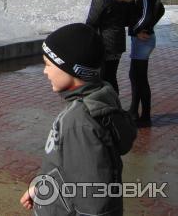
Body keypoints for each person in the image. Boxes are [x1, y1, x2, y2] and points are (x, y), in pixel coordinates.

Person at [20, 23, 135, 215]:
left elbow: (93, 201)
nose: (44, 71)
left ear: (72, 69)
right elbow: (71, 170)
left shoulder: (78, 122)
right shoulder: (100, 101)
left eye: (48, 64)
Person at [86, 0, 136, 94]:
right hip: (118, 40)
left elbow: (92, 21)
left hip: (103, 42)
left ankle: (109, 110)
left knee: (102, 78)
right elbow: (130, 18)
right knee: (111, 76)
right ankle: (115, 108)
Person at [128, 0, 165, 128]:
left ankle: (145, 116)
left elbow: (145, 16)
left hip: (143, 40)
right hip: (146, 38)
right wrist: (149, 28)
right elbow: (161, 10)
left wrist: (136, 31)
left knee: (139, 78)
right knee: (135, 76)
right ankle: (134, 111)